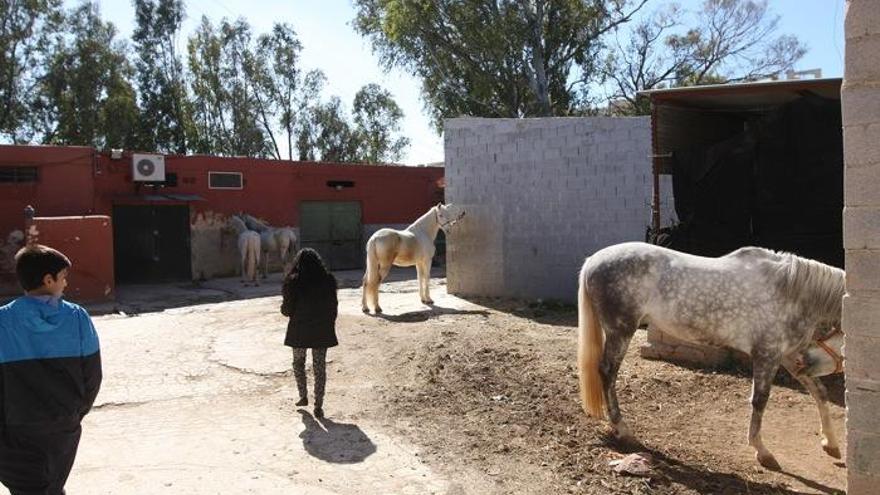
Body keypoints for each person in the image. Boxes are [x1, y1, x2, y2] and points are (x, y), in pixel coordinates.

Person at [0, 244, 102, 495]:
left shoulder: (3, 320)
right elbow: (92, 376)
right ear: (48, 279)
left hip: (17, 426)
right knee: (52, 485)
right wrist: (75, 413)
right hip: (63, 425)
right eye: (64, 277)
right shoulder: (78, 317)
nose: (66, 284)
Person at [280, 248, 338, 419]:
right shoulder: (328, 280)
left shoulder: (293, 281)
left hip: (299, 330)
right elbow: (333, 307)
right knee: (319, 368)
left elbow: (287, 310)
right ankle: (318, 405)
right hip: (321, 330)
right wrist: (328, 323)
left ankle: (303, 396)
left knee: (298, 363)